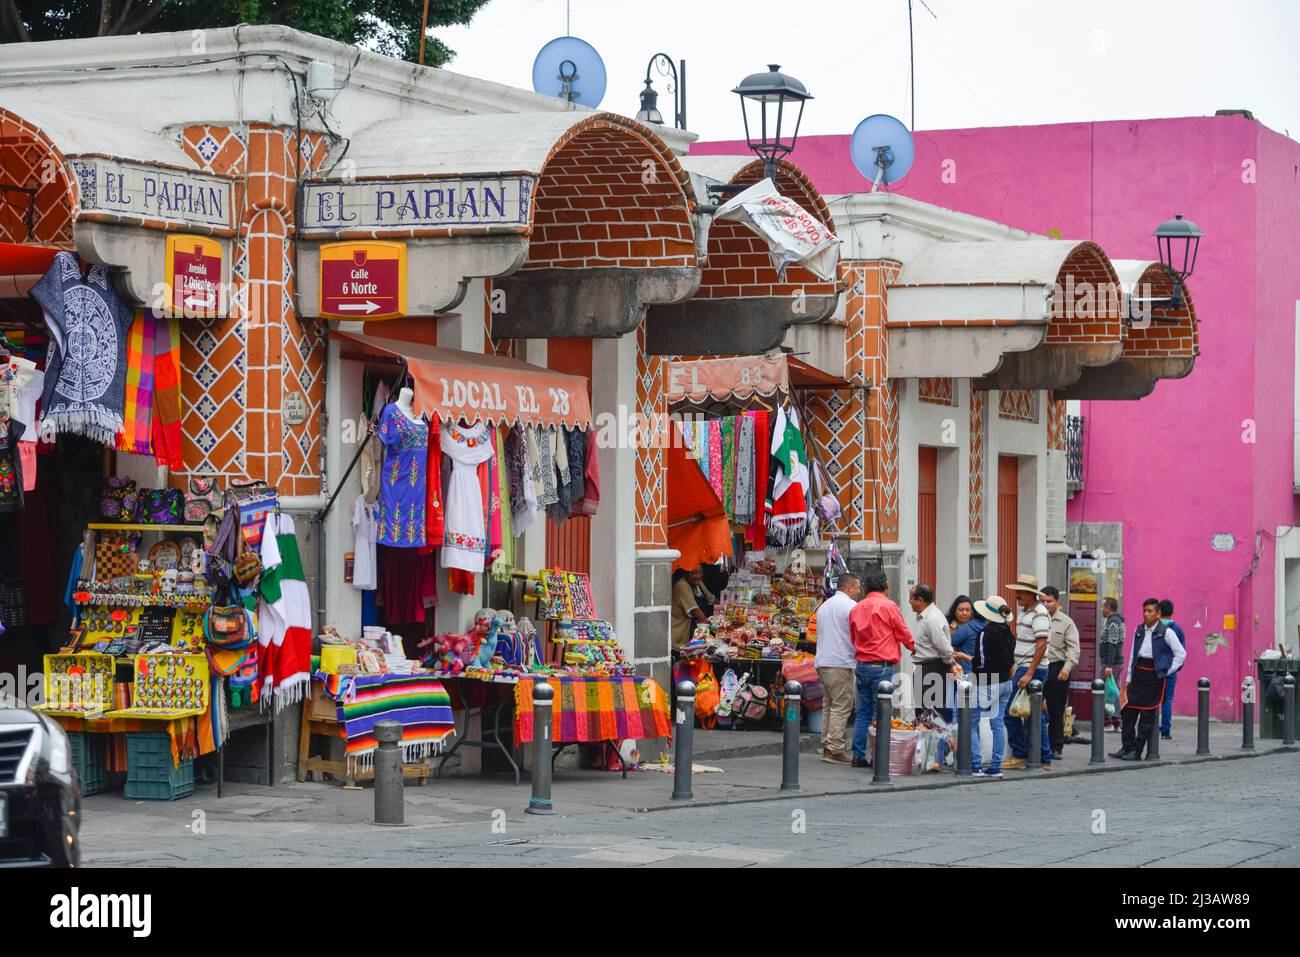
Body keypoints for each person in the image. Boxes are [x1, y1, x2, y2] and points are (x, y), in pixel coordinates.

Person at [849, 570, 916, 768]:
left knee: (862, 712)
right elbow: (902, 630)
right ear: (885, 587)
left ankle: (858, 755)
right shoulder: (889, 606)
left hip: (861, 665)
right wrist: (913, 646)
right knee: (881, 713)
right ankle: (878, 756)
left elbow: (853, 637)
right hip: (882, 666)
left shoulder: (857, 607)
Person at [1112, 598, 1187, 760]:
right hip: (1138, 674)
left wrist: (1167, 671)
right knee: (1127, 711)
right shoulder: (1139, 630)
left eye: (1150, 611)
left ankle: (1137, 751)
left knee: (1147, 717)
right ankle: (1127, 747)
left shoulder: (1166, 632)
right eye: (1144, 610)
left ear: (1158, 613)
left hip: (1153, 677)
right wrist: (1129, 678)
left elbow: (1181, 654)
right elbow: (1133, 653)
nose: (1146, 614)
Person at [1003, 574, 1053, 769]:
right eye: (1017, 591)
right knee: (1034, 716)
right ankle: (1043, 757)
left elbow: (1041, 645)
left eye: (1022, 592)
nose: (1017, 595)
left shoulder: (1039, 613)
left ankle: (1022, 753)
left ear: (1032, 594)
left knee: (1012, 713)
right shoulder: (1027, 611)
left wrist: (1029, 673)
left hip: (1033, 670)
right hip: (1025, 667)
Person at [813, 574, 862, 764]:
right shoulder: (850, 606)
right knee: (842, 706)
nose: (858, 592)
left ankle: (826, 745)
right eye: (857, 588)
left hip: (824, 661)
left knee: (829, 705)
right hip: (840, 661)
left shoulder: (824, 606)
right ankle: (834, 748)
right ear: (849, 587)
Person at [969, 595, 1018, 779]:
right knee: (997, 723)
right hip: (1006, 682)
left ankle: (976, 765)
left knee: (972, 722)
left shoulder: (985, 633)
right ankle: (996, 765)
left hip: (988, 682)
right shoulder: (1009, 633)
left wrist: (971, 662)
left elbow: (980, 662)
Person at [909, 584, 961, 721]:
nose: (910, 602)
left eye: (911, 599)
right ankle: (927, 741)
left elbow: (943, 646)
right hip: (926, 667)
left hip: (932, 668)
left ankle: (934, 742)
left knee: (931, 712)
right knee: (923, 711)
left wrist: (951, 663)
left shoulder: (932, 618)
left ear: (920, 600)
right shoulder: (925, 616)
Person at [1041, 585, 1080, 760]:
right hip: (1038, 667)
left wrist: (1067, 667)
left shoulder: (1066, 622)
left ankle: (1056, 746)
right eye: (1042, 601)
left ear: (1057, 601)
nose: (1045, 604)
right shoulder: (1035, 619)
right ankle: (1036, 744)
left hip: (1057, 667)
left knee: (1056, 710)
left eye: (1049, 601)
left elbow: (1073, 648)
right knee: (1032, 708)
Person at [947, 595, 984, 722]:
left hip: (967, 672)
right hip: (952, 672)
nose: (964, 613)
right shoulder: (948, 626)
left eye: (968, 610)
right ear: (954, 611)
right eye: (961, 610)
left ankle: (959, 739)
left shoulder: (971, 627)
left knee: (962, 710)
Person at [1158, 598, 1187, 739]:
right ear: (1172, 612)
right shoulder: (1177, 629)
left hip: (1155, 669)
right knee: (1167, 700)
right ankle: (1165, 730)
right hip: (1170, 669)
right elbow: (1182, 651)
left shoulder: (1154, 627)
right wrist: (1175, 668)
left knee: (1152, 699)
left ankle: (1151, 727)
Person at [670, 566, 715, 650]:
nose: (698, 575)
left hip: (693, 633)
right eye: (693, 573)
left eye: (700, 572)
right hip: (679, 634)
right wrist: (713, 627)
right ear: (686, 574)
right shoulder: (682, 586)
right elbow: (696, 612)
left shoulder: (698, 583)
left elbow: (711, 598)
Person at [1099, 597, 1125, 731]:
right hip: (1113, 663)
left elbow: (1113, 643)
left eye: (1103, 606)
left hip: (1112, 664)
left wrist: (1109, 665)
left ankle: (1110, 722)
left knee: (1108, 692)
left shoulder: (1113, 621)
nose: (1101, 609)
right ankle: (1116, 723)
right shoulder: (1112, 621)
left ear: (1109, 607)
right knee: (1113, 691)